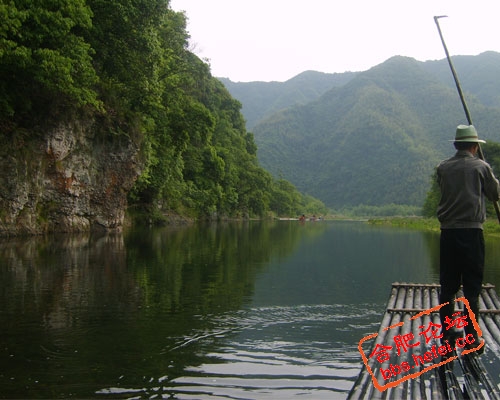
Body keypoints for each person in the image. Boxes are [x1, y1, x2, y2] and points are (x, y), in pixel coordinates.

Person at [437, 124, 500, 353]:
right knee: (472, 287)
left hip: (448, 233)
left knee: (448, 286)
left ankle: (447, 335)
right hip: (472, 232)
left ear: (456, 145)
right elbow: (495, 194)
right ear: (475, 146)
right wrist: (486, 170)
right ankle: (471, 337)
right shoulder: (481, 167)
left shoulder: (443, 167)